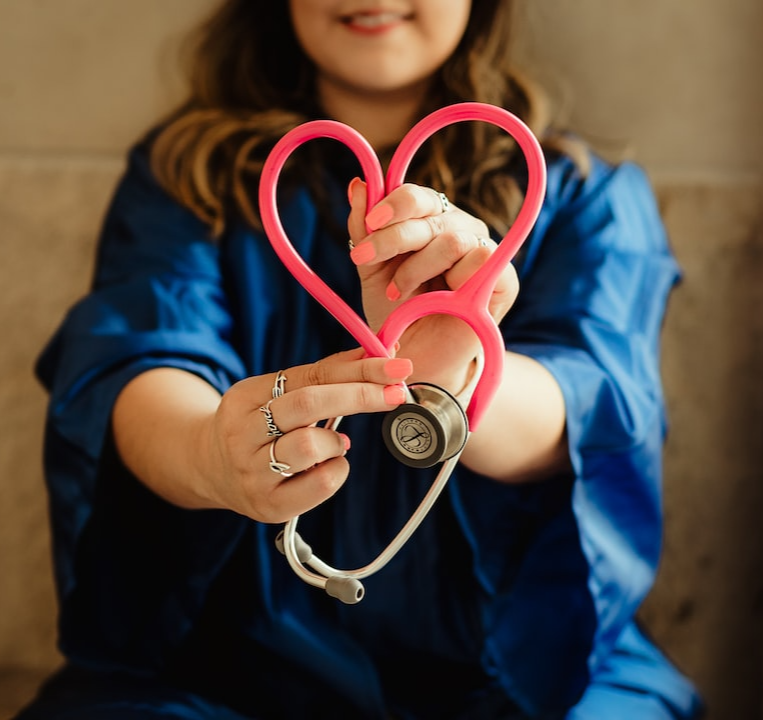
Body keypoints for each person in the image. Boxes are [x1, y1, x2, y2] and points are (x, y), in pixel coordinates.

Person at [17, 1, 703, 718]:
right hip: (223, 668)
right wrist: (209, 455)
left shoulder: (583, 194)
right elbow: (134, 358)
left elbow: (593, 403)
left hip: (530, 667)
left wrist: (450, 379)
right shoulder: (183, 178)